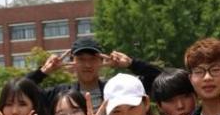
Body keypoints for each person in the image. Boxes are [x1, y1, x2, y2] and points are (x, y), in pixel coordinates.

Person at [27, 37, 161, 110]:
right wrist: (43, 72)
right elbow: (21, 91)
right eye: (81, 59)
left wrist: (132, 64)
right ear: (72, 62)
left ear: (102, 61)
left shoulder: (116, 89)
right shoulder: (60, 94)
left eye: (92, 59)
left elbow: (161, 79)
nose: (87, 65)